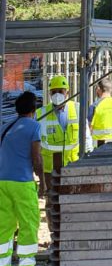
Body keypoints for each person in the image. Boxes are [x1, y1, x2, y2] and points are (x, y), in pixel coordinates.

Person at [0, 91, 44, 266]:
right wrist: (42, 180)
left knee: (4, 226)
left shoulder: (4, 127)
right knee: (28, 223)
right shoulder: (34, 126)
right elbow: (36, 157)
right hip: (22, 182)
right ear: (33, 110)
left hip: (2, 182)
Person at [36, 75, 85, 233]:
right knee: (52, 202)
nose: (57, 94)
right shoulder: (41, 114)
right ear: (50, 94)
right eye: (54, 91)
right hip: (50, 169)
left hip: (73, 165)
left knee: (73, 199)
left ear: (67, 92)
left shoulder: (77, 109)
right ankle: (54, 234)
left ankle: (73, 231)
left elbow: (87, 138)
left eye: (60, 91)